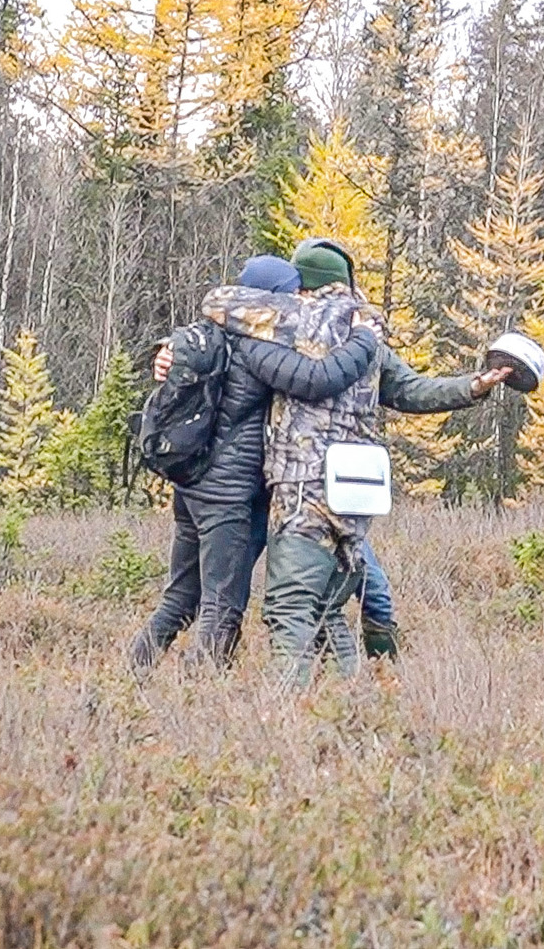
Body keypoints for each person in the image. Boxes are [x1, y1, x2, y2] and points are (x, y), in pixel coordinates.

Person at [218, 238, 516, 683]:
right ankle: (351, 700)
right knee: (327, 606)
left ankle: (284, 714)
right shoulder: (369, 335)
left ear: (304, 284)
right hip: (359, 489)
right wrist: (472, 386)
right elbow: (411, 391)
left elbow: (221, 305)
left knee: (289, 607)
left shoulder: (294, 321)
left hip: (305, 484)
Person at [126, 255, 383, 672]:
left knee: (181, 594)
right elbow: (316, 380)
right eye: (291, 295)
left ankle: (133, 673)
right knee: (222, 605)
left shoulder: (209, 330)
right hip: (225, 495)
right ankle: (201, 695)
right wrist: (363, 341)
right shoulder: (257, 345)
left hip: (191, 485)